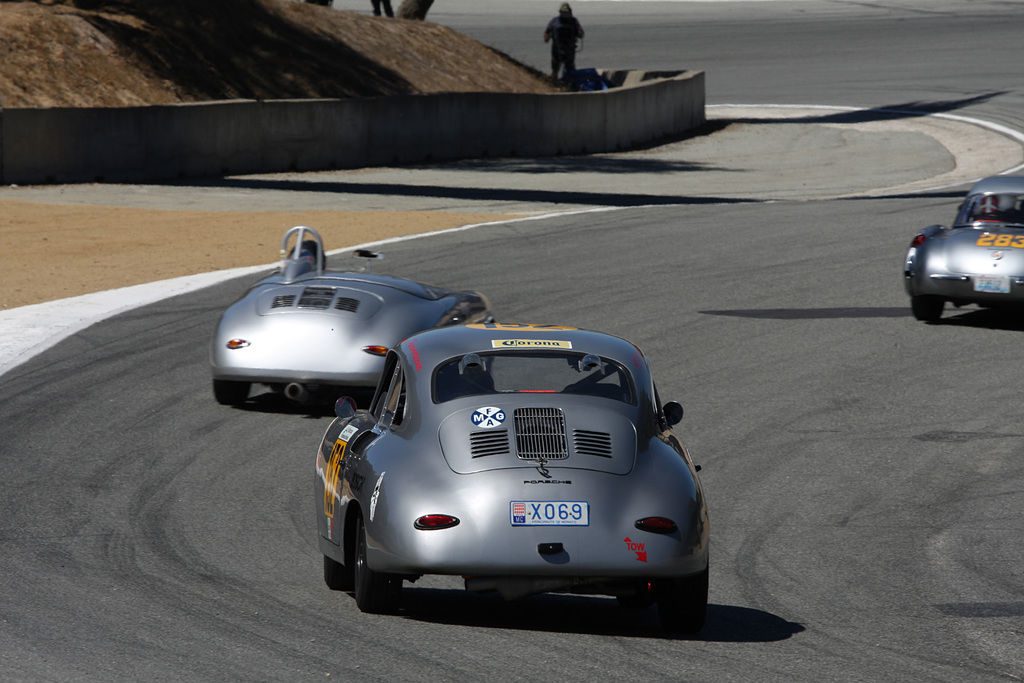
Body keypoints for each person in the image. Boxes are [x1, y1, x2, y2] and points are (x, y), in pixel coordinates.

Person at [543, 3, 584, 79]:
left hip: (569, 49)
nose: (565, 14)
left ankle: (570, 83)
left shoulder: (574, 21)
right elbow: (547, 32)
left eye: (566, 12)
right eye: (563, 12)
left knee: (570, 69)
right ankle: (554, 82)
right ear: (560, 12)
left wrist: (579, 34)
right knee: (555, 69)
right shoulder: (555, 21)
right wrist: (547, 37)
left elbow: (581, 32)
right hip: (557, 49)